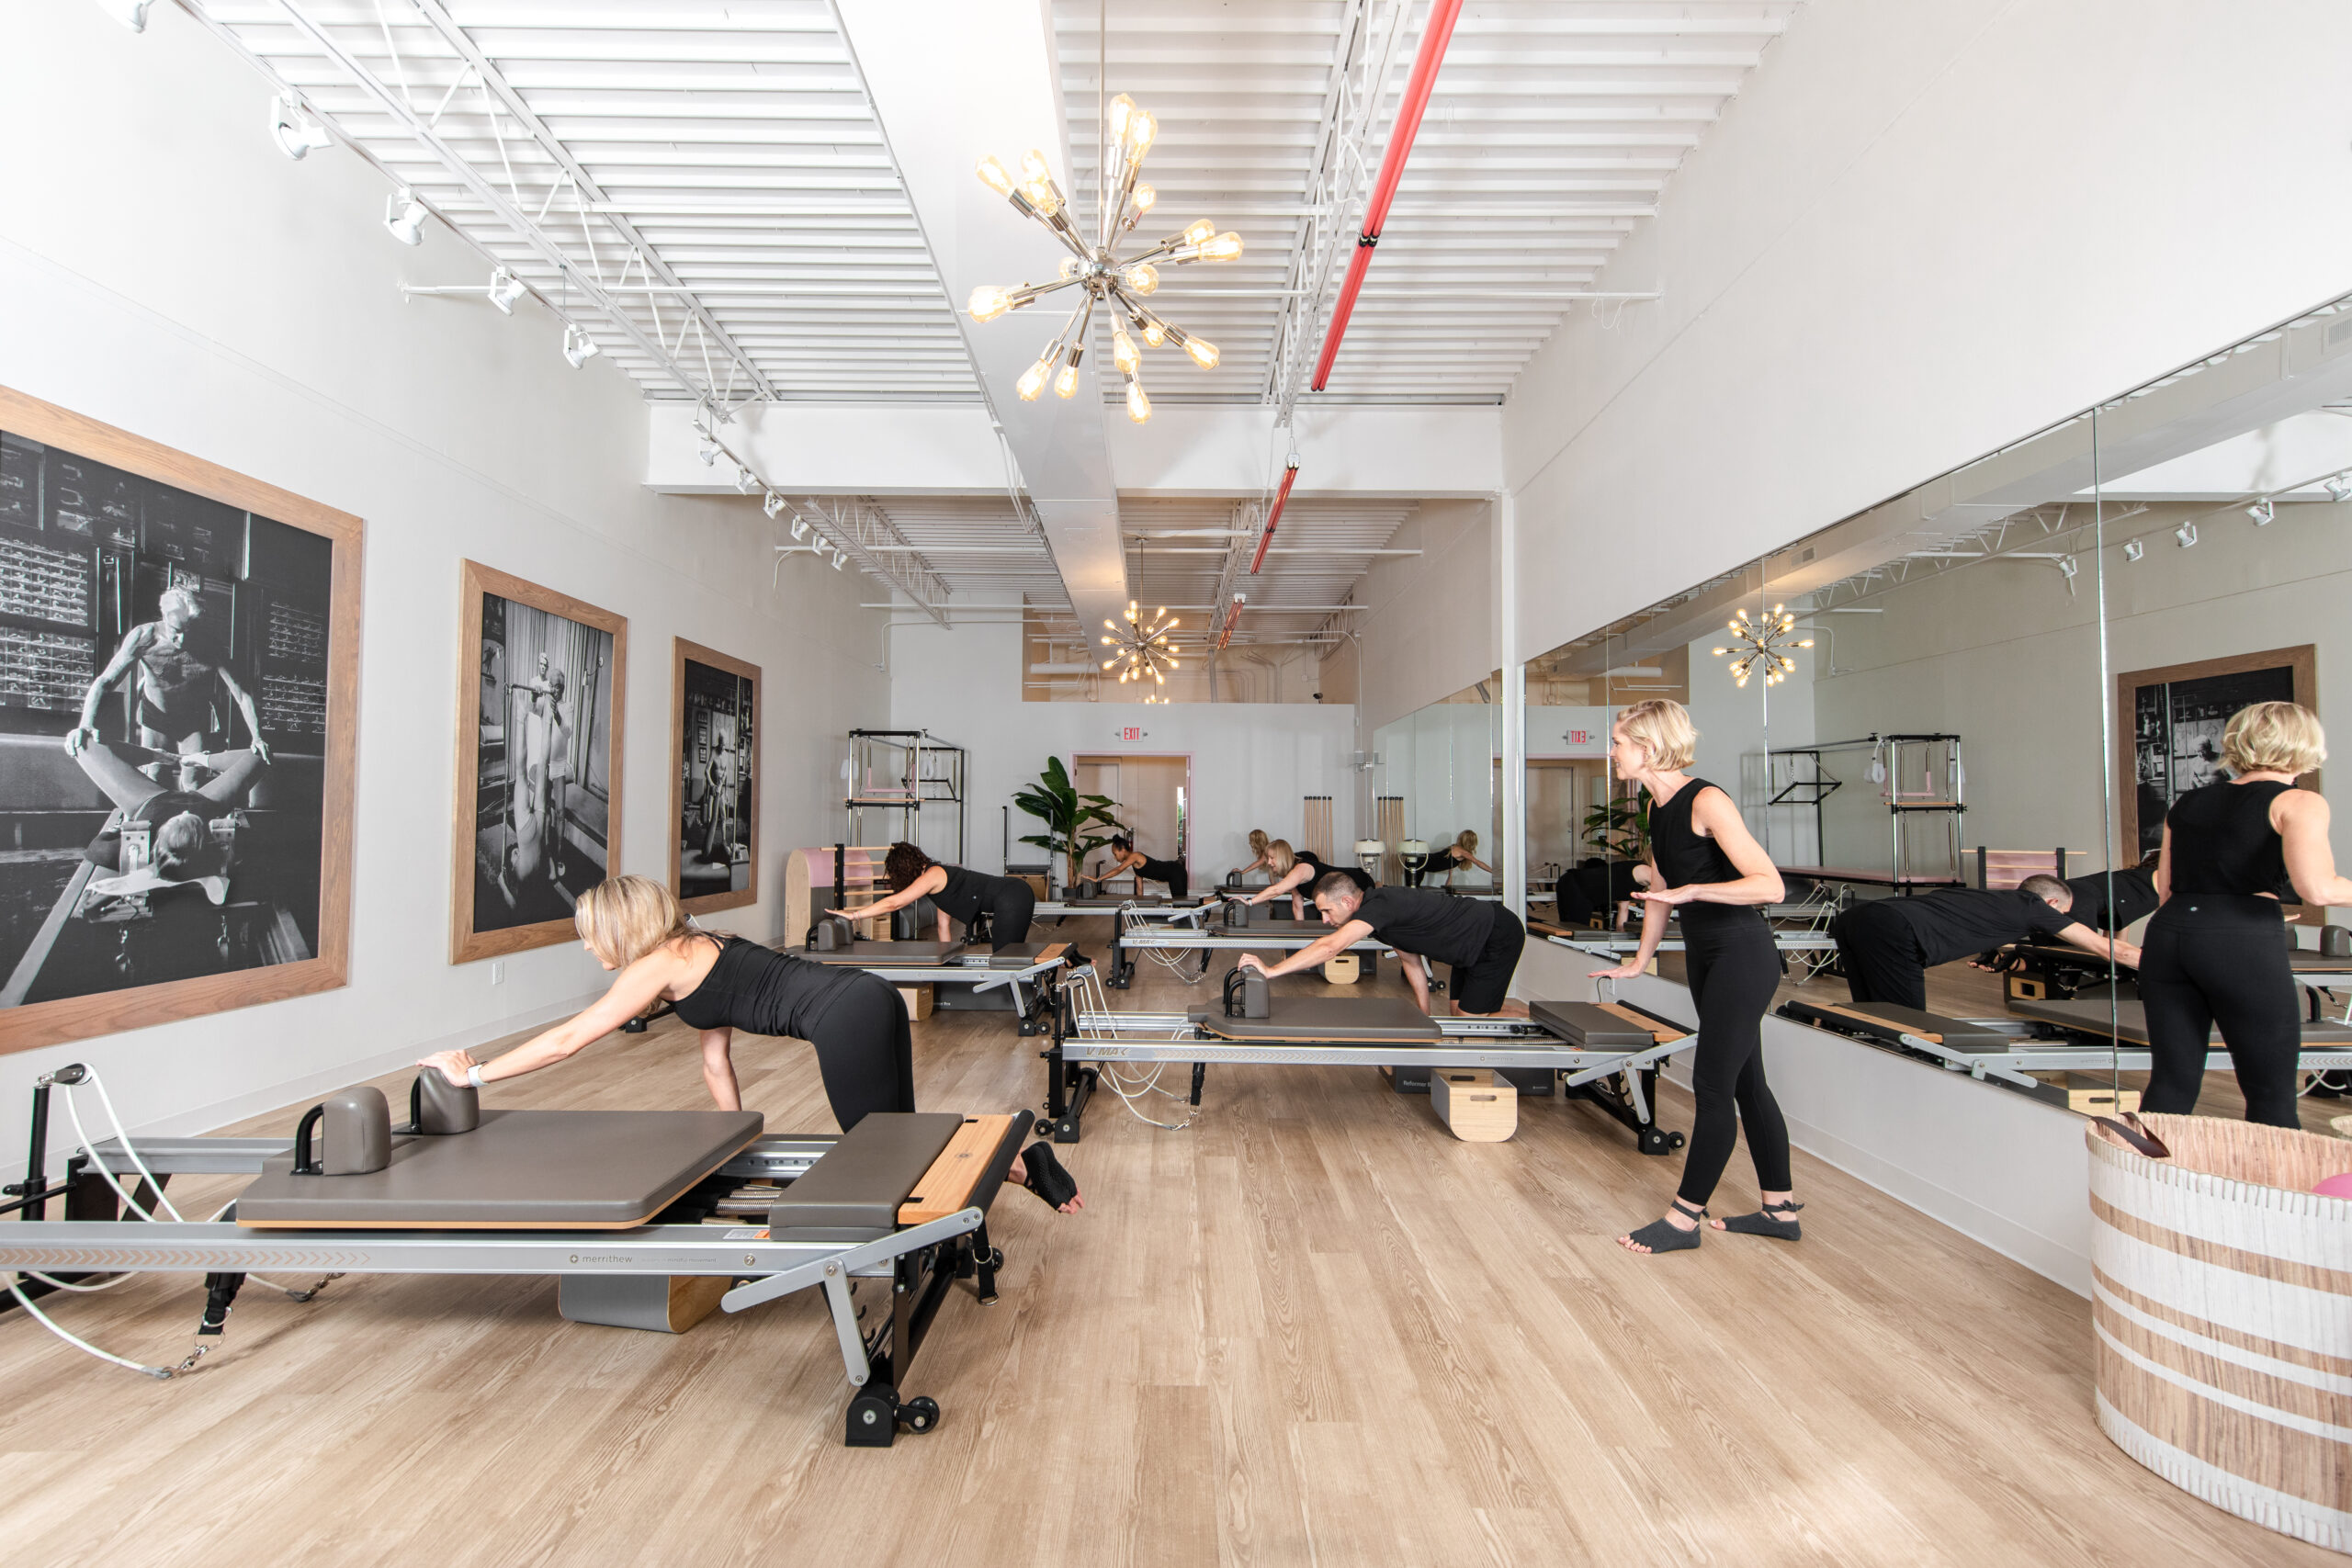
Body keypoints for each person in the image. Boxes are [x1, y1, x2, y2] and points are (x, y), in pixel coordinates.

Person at [419, 875, 1080, 1211]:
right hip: (865, 998)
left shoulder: (656, 966)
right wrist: (733, 1143)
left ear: (622, 929)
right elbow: (715, 1057)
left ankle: (1008, 1174)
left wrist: (473, 1074)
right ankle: (1023, 1168)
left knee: (884, 1150)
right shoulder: (697, 947)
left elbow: (569, 1039)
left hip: (843, 1016)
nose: (591, 947)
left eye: (592, 934)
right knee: (899, 1134)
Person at [1588, 699, 1799, 1256]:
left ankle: (1683, 1221)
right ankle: (1779, 1209)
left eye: (1617, 742)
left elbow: (1769, 886)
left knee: (1712, 1087)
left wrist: (1694, 891)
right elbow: (1659, 891)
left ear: (1648, 748)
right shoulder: (1657, 810)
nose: (1611, 752)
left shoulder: (1706, 800)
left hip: (1742, 953)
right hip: (1708, 956)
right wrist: (1640, 959)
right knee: (1748, 1083)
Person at [2141, 701, 2352, 1127]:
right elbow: (2317, 887)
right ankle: (2272, 1194)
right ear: (2307, 745)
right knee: (2270, 1094)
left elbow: (2162, 887)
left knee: (2172, 1081)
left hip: (2169, 935)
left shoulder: (2189, 803)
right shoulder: (2298, 802)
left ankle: (2138, 1185)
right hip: (2240, 937)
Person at [1238, 874, 1525, 1021]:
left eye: (1327, 911)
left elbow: (1330, 948)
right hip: (1468, 946)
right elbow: (1411, 962)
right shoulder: (1384, 920)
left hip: (1494, 934)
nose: (1325, 920)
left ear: (1348, 903)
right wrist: (1422, 1018)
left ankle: (1545, 1023)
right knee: (1457, 1013)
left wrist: (1271, 970)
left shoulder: (1380, 907)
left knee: (1469, 1021)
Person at [1835, 876, 2139, 1011]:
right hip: (1893, 930)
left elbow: (1962, 925)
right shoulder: (2036, 908)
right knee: (1909, 1026)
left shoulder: (1991, 900)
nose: (2057, 920)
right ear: (2052, 902)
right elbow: (2112, 949)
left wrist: (2001, 951)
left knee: (1871, 1012)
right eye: (2061, 913)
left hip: (1855, 918)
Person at [68, 586, 268, 771]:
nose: (181, 641)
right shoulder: (144, 637)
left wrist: (257, 737)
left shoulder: (211, 646)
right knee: (154, 777)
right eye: (176, 631)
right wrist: (86, 724)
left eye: (188, 631)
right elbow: (105, 682)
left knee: (194, 783)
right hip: (156, 716)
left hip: (193, 720)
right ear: (164, 616)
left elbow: (242, 695)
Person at [71, 739, 269, 886]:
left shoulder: (128, 852)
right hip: (207, 801)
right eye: (189, 819)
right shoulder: (214, 854)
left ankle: (156, 756)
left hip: (149, 801)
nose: (182, 813)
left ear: (157, 843)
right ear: (203, 839)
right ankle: (199, 759)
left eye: (176, 820)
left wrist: (118, 829)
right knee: (261, 754)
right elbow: (248, 840)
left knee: (81, 744)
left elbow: (96, 847)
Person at [850, 842, 1038, 952]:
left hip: (1012, 895)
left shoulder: (933, 875)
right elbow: (943, 926)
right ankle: (1031, 999)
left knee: (1006, 957)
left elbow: (894, 903)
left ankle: (1026, 1008)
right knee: (1007, 956)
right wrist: (946, 964)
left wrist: (855, 915)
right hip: (1014, 894)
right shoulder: (938, 884)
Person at [1229, 839, 1373, 921]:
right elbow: (1297, 905)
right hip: (1344, 893)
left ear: (1282, 856)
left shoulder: (1301, 869)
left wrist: (1249, 902)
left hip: (1359, 882)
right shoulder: (1293, 874)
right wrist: (1300, 934)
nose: (1269, 862)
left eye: (1272, 858)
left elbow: (1277, 890)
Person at [1080, 835, 1189, 899]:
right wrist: (1139, 907)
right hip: (1173, 873)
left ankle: (1187, 932)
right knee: (1180, 903)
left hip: (1176, 871)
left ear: (1122, 850)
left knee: (1180, 904)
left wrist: (1098, 879)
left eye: (1115, 853)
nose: (1115, 857)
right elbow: (1139, 888)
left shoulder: (1135, 856)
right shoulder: (1135, 865)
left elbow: (1118, 870)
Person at [1419, 830, 1493, 889]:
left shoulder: (1455, 849)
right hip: (1421, 861)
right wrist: (1494, 872)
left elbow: (1450, 872)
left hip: (1422, 862)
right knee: (1413, 890)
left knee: (1414, 889)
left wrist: (1448, 888)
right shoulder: (1461, 851)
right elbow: (1478, 863)